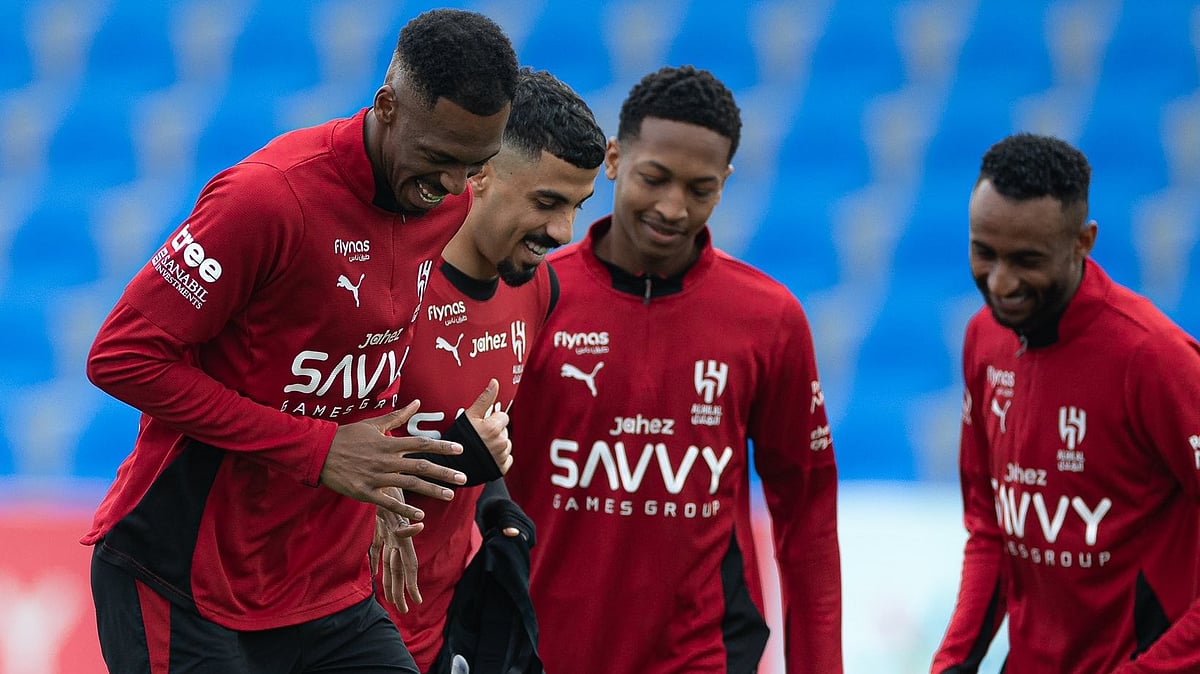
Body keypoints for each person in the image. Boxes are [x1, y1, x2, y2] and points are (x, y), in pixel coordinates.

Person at [82, 9, 519, 673]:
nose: (456, 188)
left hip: (322, 587)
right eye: (440, 159)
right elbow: (122, 357)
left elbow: (369, 353)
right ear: (387, 106)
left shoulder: (444, 201)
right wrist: (319, 450)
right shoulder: (268, 199)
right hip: (184, 578)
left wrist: (385, 490)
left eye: (475, 165)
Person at [503, 65, 844, 674]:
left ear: (726, 182)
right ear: (612, 159)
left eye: (700, 189)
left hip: (703, 656)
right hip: (537, 654)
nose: (673, 207)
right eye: (654, 178)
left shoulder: (769, 319)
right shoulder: (533, 292)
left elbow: (808, 513)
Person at [931, 133, 1200, 673]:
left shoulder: (1155, 359)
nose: (1001, 281)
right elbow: (991, 530)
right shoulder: (984, 339)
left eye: (1027, 260)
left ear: (1083, 242)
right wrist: (953, 663)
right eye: (984, 252)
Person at [372, 66, 605, 673]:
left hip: (436, 631)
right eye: (547, 202)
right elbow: (306, 463)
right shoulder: (384, 284)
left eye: (578, 206)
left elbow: (481, 433)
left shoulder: (537, 288)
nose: (563, 232)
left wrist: (495, 500)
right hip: (326, 630)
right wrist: (458, 456)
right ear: (478, 174)